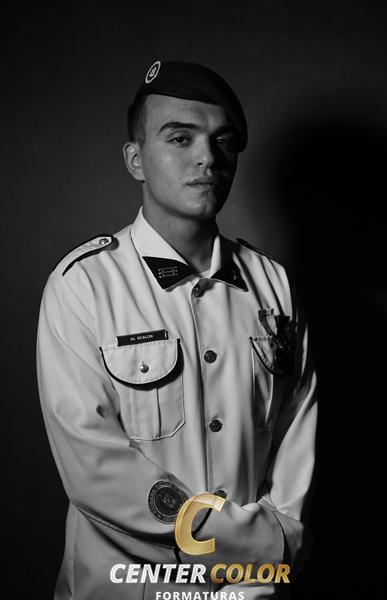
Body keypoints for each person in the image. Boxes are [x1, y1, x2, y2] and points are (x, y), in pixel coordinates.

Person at [37, 60, 317, 600]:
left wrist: (258, 576)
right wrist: (256, 549)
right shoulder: (82, 286)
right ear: (136, 160)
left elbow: (296, 441)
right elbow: (96, 471)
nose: (207, 158)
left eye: (223, 141)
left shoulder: (275, 286)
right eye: (180, 138)